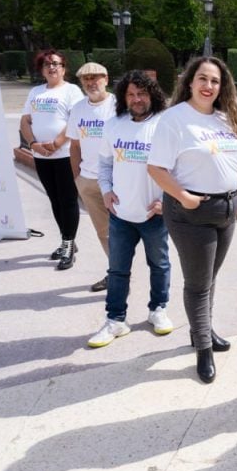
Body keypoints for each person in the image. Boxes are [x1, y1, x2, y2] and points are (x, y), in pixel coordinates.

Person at [148, 57, 237, 384]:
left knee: (209, 277)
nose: (209, 86)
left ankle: (202, 330)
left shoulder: (225, 118)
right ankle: (203, 347)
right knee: (197, 282)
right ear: (189, 81)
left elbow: (235, 159)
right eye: (203, 79)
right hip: (191, 212)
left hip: (226, 210)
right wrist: (184, 197)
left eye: (215, 81)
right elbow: (156, 168)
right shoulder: (175, 119)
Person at [87, 71, 173, 347]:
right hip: (120, 215)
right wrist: (106, 191)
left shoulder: (164, 125)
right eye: (131, 94)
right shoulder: (114, 125)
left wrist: (166, 201)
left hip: (153, 215)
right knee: (117, 270)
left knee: (159, 265)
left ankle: (157, 310)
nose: (137, 99)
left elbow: (178, 169)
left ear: (152, 95)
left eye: (142, 94)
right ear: (124, 97)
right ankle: (115, 320)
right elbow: (104, 165)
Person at [20, 49, 84, 269]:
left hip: (65, 155)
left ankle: (68, 245)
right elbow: (25, 122)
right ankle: (67, 240)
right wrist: (34, 145)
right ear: (42, 69)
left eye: (56, 63)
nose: (52, 67)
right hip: (41, 156)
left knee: (67, 200)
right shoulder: (35, 92)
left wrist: (57, 143)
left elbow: (76, 121)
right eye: (47, 64)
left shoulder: (71, 91)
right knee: (55, 200)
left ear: (64, 68)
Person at [67, 62, 117, 292]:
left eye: (95, 77)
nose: (91, 82)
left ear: (106, 78)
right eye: (86, 79)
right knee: (104, 233)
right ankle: (116, 274)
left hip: (117, 182)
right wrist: (78, 177)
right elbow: (75, 145)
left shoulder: (119, 105)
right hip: (88, 181)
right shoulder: (78, 109)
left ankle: (124, 272)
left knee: (127, 232)